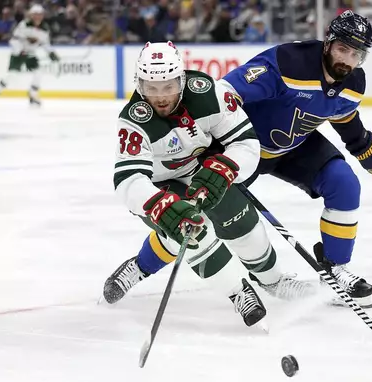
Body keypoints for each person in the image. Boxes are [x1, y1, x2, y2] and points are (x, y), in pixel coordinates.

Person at [103, 41, 315, 327]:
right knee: (190, 230)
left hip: (198, 170)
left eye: (168, 86)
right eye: (151, 88)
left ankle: (274, 281)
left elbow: (246, 143)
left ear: (181, 79)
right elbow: (129, 180)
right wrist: (159, 206)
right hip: (156, 185)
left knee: (241, 221)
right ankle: (238, 291)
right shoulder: (134, 121)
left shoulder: (209, 93)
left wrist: (226, 167)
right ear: (140, 85)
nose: (161, 97)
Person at [218, 10, 372, 308]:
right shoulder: (289, 62)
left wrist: (362, 143)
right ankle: (144, 264)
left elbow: (342, 113)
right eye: (342, 49)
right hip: (246, 148)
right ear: (327, 44)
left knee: (344, 184)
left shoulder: (354, 81)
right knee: (202, 212)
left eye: (356, 54)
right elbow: (224, 93)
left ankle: (334, 269)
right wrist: (215, 142)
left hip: (294, 146)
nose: (347, 59)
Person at [0, 4, 59, 106]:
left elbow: (45, 43)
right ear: (31, 15)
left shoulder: (45, 28)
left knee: (38, 72)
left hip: (30, 53)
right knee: (12, 75)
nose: (38, 17)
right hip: (18, 54)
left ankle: (33, 94)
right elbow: (14, 40)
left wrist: (51, 53)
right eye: (35, 14)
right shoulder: (23, 25)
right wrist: (20, 50)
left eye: (40, 15)